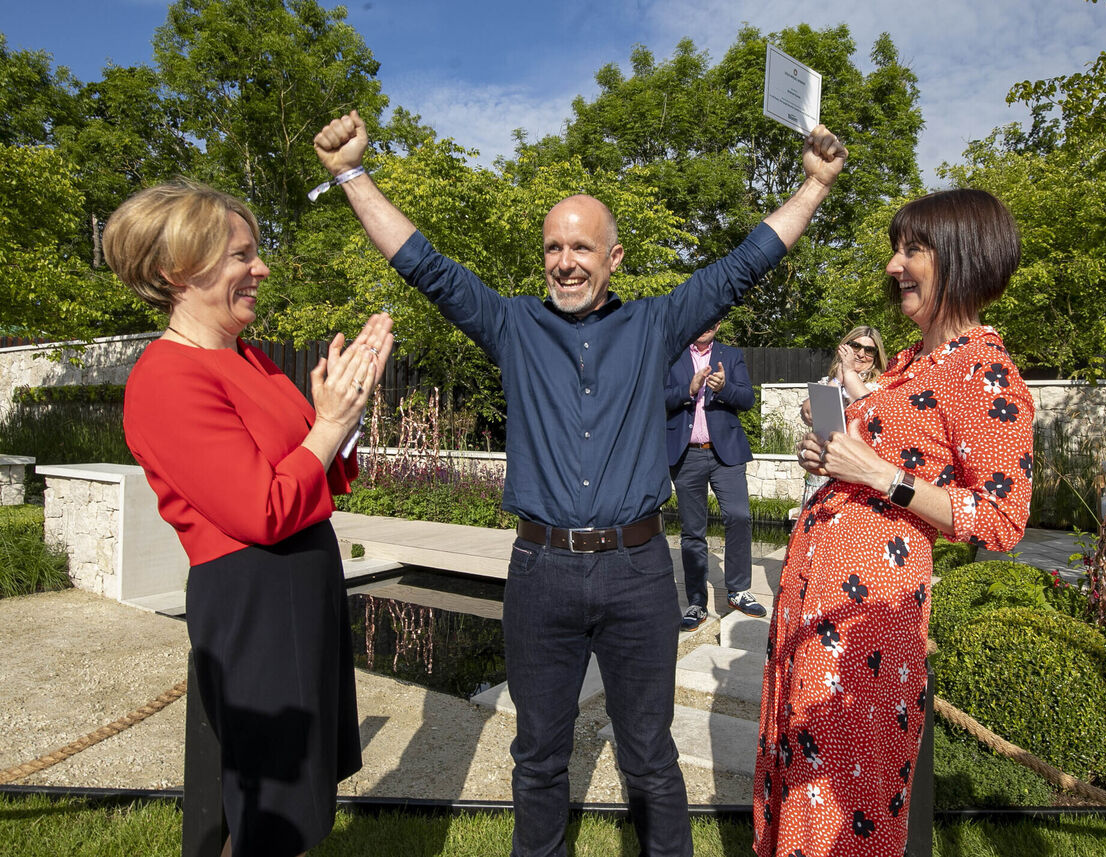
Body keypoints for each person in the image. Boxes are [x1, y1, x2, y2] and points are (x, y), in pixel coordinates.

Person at [312, 109, 846, 857]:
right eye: (553, 247)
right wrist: (350, 173)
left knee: (651, 760)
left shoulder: (657, 325)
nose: (565, 260)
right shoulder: (511, 325)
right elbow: (423, 263)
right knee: (537, 761)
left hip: (636, 576)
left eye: (581, 246)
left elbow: (743, 265)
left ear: (614, 256)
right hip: (541, 573)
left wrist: (814, 186)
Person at [104, 178, 394, 857]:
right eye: (240, 255)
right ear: (179, 271)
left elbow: (322, 468)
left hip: (298, 587)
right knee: (271, 810)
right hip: (255, 600)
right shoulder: (167, 378)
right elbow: (263, 509)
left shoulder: (250, 359)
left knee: (285, 795)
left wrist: (341, 416)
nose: (260, 267)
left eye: (254, 252)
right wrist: (328, 425)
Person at [755, 189, 1034, 857]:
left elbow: (1002, 518)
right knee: (802, 757)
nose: (892, 265)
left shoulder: (985, 371)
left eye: (912, 250)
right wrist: (831, 449)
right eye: (895, 248)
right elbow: (874, 455)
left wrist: (883, 476)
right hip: (816, 593)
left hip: (869, 614)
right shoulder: (912, 360)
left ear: (962, 258)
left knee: (847, 780)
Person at [665, 320, 766, 631]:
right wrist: (688, 390)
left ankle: (737, 590)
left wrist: (724, 389)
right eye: (701, 319)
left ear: (719, 323)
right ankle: (696, 602)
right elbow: (656, 398)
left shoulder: (731, 355)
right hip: (686, 454)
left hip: (726, 454)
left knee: (738, 516)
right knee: (693, 531)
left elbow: (748, 399)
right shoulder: (671, 354)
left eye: (712, 320)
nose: (705, 325)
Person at [797, 326, 888, 506]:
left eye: (869, 350)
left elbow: (867, 407)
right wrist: (837, 381)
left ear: (876, 357)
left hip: (858, 473)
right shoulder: (830, 381)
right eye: (855, 346)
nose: (861, 354)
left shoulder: (883, 385)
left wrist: (849, 373)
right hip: (823, 468)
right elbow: (809, 413)